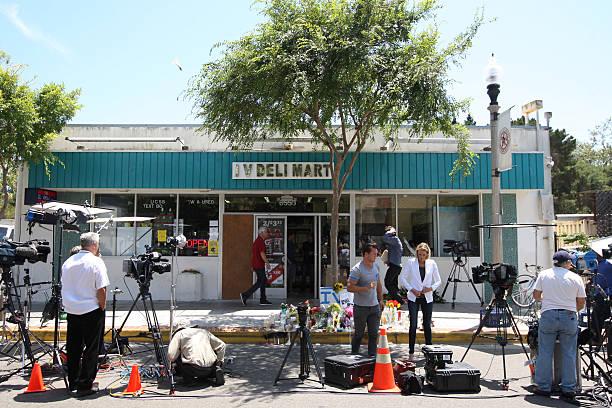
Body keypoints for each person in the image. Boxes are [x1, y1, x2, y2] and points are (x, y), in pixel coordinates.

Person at [532, 250, 586, 403]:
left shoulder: (544, 274)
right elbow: (581, 302)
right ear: (567, 263)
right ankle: (568, 388)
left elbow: (536, 296)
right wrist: (571, 310)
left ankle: (543, 387)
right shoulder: (575, 278)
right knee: (569, 353)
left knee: (545, 352)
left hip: (548, 315)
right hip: (568, 316)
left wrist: (547, 301)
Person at [61, 232, 109, 397]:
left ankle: (73, 380)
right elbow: (101, 289)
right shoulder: (96, 262)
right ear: (94, 245)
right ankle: (85, 383)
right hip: (91, 309)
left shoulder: (68, 262)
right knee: (91, 348)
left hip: (72, 310)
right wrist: (102, 306)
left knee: (73, 347)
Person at [399, 242, 441, 361]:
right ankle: (411, 350)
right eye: (419, 254)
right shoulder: (410, 263)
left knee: (427, 324)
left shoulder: (432, 264)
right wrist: (411, 289)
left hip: (427, 297)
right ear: (416, 253)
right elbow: (402, 278)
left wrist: (430, 288)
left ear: (427, 254)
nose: (421, 257)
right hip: (413, 297)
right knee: (413, 324)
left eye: (423, 254)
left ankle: (429, 350)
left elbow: (438, 281)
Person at [348, 242, 383, 356]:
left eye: (377, 254)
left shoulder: (376, 267)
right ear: (365, 254)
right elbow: (349, 287)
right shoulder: (357, 269)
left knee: (373, 334)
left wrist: (380, 300)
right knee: (359, 334)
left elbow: (378, 284)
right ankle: (354, 356)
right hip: (361, 307)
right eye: (374, 254)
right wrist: (365, 288)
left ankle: (372, 357)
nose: (376, 256)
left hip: (374, 307)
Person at [168, 319, 226, 386]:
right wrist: (219, 363)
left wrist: (175, 360)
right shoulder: (204, 332)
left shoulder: (179, 334)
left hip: (193, 369)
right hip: (211, 368)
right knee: (213, 350)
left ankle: (189, 380)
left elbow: (171, 355)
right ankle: (215, 371)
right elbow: (222, 345)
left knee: (178, 356)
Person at [240, 227, 272, 305]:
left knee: (262, 281)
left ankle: (263, 299)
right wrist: (267, 262)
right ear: (261, 233)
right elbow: (262, 253)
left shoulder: (258, 241)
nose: (267, 234)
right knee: (261, 281)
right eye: (266, 232)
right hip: (259, 265)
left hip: (257, 264)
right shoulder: (260, 241)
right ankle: (245, 295)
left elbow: (254, 254)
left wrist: (253, 265)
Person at [382, 226, 404, 304]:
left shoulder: (395, 239)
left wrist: (390, 231)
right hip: (395, 266)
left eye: (387, 231)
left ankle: (399, 300)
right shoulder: (394, 242)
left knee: (387, 282)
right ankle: (396, 301)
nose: (386, 233)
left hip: (395, 266)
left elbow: (384, 238)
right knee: (393, 285)